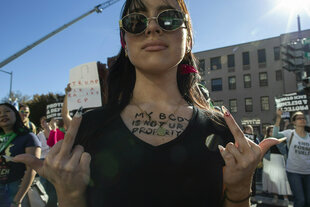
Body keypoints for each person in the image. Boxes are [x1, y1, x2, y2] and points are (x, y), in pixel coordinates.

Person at [13, 0, 283, 206]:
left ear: (187, 38)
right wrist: (69, 195)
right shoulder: (88, 130)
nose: (152, 27)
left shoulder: (223, 132)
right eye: (136, 21)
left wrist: (238, 191)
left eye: (168, 18)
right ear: (125, 42)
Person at [0, 103, 41, 207]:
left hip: (15, 189)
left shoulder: (28, 137)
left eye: (7, 111)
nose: (3, 115)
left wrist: (18, 200)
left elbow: (32, 169)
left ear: (16, 114)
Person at [273, 109, 310, 207]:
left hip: (308, 172)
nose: (302, 120)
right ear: (294, 122)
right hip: (294, 172)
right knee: (300, 200)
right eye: (299, 118)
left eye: (303, 118)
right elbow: (275, 136)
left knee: (308, 201)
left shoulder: (309, 136)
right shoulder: (290, 133)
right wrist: (278, 117)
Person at [262, 125, 291, 204]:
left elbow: (285, 150)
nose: (272, 133)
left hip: (279, 160)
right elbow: (262, 151)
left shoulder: (280, 140)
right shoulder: (266, 140)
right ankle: (275, 196)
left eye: (273, 131)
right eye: (270, 131)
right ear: (268, 133)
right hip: (269, 160)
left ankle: (286, 198)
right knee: (273, 179)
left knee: (282, 178)